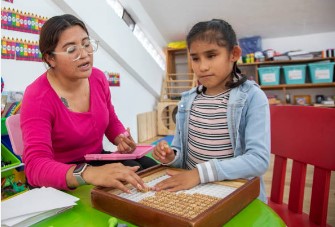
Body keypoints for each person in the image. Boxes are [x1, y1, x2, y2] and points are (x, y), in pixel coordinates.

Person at [20, 14, 157, 192]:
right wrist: (87, 173)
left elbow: (110, 120)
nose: (84, 54)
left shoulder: (98, 78)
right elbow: (35, 167)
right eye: (71, 50)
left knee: (148, 168)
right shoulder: (37, 97)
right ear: (50, 58)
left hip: (95, 160)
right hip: (59, 175)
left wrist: (122, 138)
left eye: (86, 44)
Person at [152, 19, 270, 203]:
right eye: (195, 58)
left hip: (232, 192)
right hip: (192, 191)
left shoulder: (252, 97)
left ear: (234, 54)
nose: (202, 66)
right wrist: (171, 156)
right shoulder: (188, 99)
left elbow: (258, 161)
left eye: (211, 55)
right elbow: (181, 151)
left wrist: (199, 174)